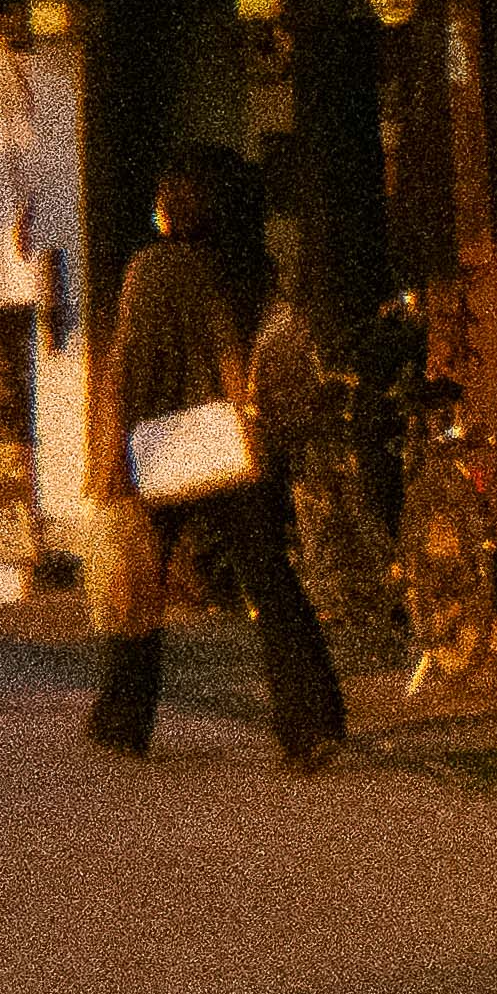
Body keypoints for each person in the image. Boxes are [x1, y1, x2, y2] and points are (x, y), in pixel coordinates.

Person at [83, 146, 345, 773]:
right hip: (218, 446)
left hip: (157, 447)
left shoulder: (148, 269)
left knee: (142, 585)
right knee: (272, 582)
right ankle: (309, 718)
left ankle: (123, 717)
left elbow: (121, 363)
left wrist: (107, 443)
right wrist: (246, 429)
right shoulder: (241, 269)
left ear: (174, 210)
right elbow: (233, 355)